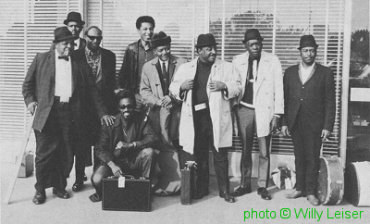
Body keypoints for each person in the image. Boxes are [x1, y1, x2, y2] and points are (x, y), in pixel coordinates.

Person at [22, 27, 108, 205]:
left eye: (71, 43)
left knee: (65, 153)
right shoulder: (41, 58)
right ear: (55, 44)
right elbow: (27, 86)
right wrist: (30, 102)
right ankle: (40, 190)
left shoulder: (79, 61)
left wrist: (102, 113)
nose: (69, 46)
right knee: (43, 155)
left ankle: (59, 187)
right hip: (47, 114)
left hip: (70, 114)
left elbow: (93, 91)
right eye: (64, 43)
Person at [169, 33, 240, 203]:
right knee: (199, 155)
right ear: (199, 51)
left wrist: (225, 86)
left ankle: (224, 191)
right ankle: (202, 189)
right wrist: (182, 87)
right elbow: (172, 88)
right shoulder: (186, 68)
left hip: (215, 118)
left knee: (220, 154)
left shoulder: (226, 67)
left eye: (215, 48)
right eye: (209, 49)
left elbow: (238, 87)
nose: (213, 52)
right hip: (195, 119)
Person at [282, 35, 335, 206]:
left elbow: (330, 101)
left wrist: (327, 126)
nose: (309, 53)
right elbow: (284, 99)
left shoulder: (325, 73)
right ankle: (299, 188)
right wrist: (284, 122)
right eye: (305, 50)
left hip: (315, 123)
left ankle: (311, 192)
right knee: (299, 156)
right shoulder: (290, 73)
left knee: (312, 157)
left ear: (316, 52)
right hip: (295, 121)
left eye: (312, 50)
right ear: (300, 52)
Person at [231, 29, 284, 200]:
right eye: (251, 44)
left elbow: (279, 89)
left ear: (262, 44)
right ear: (245, 45)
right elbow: (234, 85)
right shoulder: (237, 61)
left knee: (264, 151)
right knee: (245, 149)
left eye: (258, 44)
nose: (255, 47)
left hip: (265, 110)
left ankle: (262, 185)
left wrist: (277, 114)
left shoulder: (273, 60)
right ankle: (245, 184)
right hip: (244, 109)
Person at [89, 90, 158, 202]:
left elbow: (152, 137)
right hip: (114, 162)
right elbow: (99, 149)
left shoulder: (141, 119)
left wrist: (132, 145)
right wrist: (112, 165)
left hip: (134, 160)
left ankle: (144, 189)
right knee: (97, 179)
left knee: (149, 152)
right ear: (118, 108)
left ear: (134, 106)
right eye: (123, 107)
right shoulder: (110, 123)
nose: (126, 110)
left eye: (129, 106)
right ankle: (113, 193)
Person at [140, 31, 187, 195]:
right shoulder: (147, 67)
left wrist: (173, 98)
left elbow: (187, 86)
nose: (164, 53)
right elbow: (144, 91)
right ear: (154, 51)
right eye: (160, 50)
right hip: (156, 114)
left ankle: (178, 184)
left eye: (167, 49)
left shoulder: (181, 63)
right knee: (160, 145)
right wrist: (159, 101)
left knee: (176, 144)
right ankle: (161, 182)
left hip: (177, 114)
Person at [71, 26, 117, 192]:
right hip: (82, 110)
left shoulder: (109, 56)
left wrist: (108, 111)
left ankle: (98, 179)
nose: (95, 41)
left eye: (98, 38)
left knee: (101, 144)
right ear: (85, 37)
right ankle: (78, 179)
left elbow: (111, 85)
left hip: (103, 109)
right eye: (92, 38)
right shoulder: (74, 56)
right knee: (81, 146)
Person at [117, 16, 156, 110]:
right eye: (145, 29)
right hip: (135, 96)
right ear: (138, 30)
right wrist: (131, 95)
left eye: (151, 29)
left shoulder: (157, 50)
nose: (149, 32)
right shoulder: (131, 49)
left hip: (153, 97)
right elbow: (124, 74)